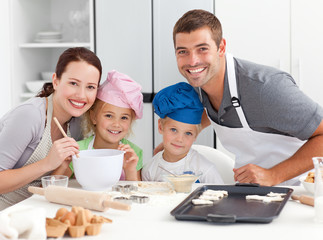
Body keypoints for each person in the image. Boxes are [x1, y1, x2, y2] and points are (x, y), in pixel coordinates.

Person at [168, 9, 323, 186]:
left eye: (202, 49)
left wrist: (274, 175)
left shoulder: (266, 88)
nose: (193, 61)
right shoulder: (198, 86)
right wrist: (178, 138)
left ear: (221, 47)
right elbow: (216, 114)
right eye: (183, 52)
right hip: (251, 191)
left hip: (303, 190)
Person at [0, 47, 102, 210]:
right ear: (56, 81)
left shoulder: (77, 122)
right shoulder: (30, 116)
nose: (82, 95)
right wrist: (47, 163)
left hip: (32, 208)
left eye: (90, 87)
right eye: (73, 83)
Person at [68, 70, 144, 181]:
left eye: (124, 118)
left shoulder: (133, 153)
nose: (116, 124)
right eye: (109, 115)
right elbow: (55, 184)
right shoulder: (78, 150)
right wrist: (64, 163)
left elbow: (136, 193)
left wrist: (130, 170)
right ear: (94, 117)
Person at [142, 82, 223, 184]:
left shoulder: (205, 170)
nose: (179, 139)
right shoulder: (150, 170)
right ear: (160, 127)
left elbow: (221, 197)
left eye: (188, 133)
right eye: (174, 130)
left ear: (196, 135)